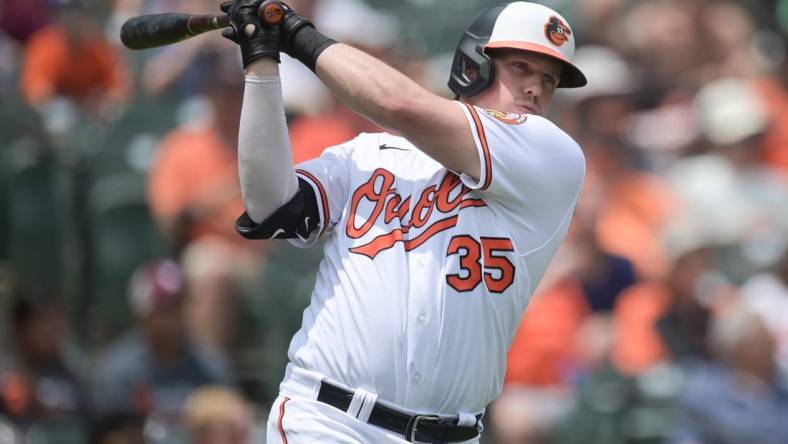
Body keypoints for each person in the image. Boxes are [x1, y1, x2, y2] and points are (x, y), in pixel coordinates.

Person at [219, 1, 587, 442]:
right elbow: (270, 206)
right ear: (475, 66)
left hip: (453, 433)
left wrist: (295, 34)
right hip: (330, 420)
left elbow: (398, 103)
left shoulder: (552, 158)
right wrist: (261, 66)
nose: (535, 89)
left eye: (549, 80)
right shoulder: (369, 154)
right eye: (521, 67)